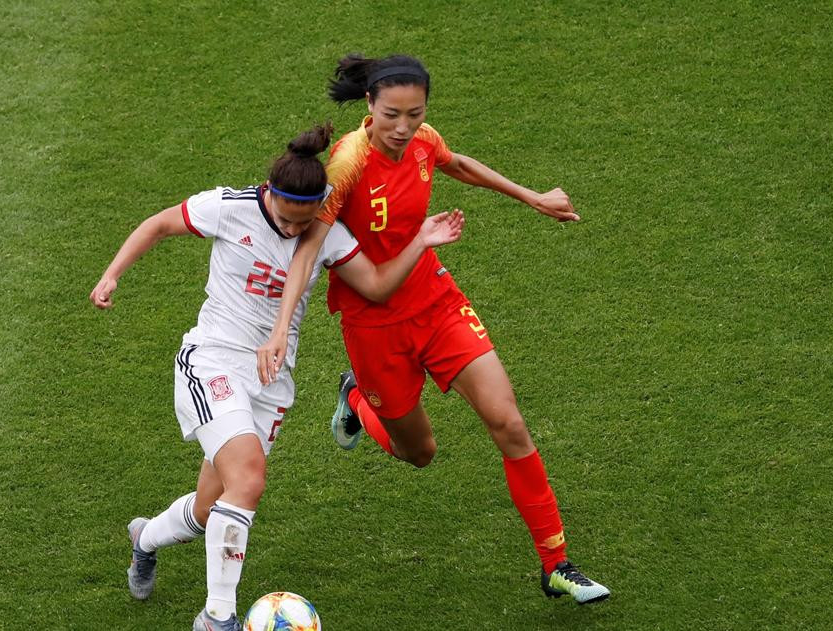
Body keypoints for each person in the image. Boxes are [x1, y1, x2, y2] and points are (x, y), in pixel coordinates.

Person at [255, 54, 610, 605]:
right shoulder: (348, 162)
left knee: (508, 421)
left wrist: (533, 197)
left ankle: (556, 562)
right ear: (369, 107)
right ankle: (357, 396)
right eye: (392, 114)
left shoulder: (423, 140)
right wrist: (280, 328)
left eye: (415, 114)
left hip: (436, 302)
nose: (403, 128)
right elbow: (309, 247)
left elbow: (457, 163)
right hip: (374, 326)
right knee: (418, 453)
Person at [89, 123, 464, 631]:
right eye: (285, 220)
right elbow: (157, 225)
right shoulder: (229, 206)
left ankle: (144, 539)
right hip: (214, 359)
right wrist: (112, 274)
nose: (292, 231)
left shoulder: (325, 231)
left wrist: (421, 241)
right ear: (269, 194)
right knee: (248, 480)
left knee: (209, 510)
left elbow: (375, 286)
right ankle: (217, 617)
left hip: (271, 381)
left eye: (302, 223)